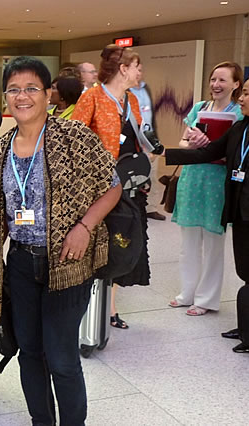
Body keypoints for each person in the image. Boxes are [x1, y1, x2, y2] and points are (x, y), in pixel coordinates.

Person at [0, 56, 121, 426]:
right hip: (22, 263)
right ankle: (41, 421)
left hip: (67, 264)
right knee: (30, 353)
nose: (23, 96)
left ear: (48, 94)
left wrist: (84, 227)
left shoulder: (73, 137)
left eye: (31, 88)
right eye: (15, 90)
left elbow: (112, 187)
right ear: (5, 96)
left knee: (62, 356)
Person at [165, 73, 249, 353]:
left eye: (246, 94)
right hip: (241, 208)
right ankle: (248, 326)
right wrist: (165, 152)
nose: (240, 99)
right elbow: (210, 151)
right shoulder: (241, 128)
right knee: (247, 269)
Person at [72, 44, 148, 330]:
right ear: (123, 68)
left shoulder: (132, 101)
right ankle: (86, 309)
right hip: (97, 187)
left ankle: (111, 308)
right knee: (97, 244)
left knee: (122, 242)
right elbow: (75, 141)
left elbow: (139, 138)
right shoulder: (92, 97)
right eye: (137, 66)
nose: (140, 72)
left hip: (128, 183)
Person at [168, 62, 243, 316]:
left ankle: (206, 298)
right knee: (188, 241)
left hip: (217, 181)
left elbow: (234, 152)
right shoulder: (199, 108)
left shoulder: (240, 116)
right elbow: (182, 140)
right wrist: (193, 143)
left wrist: (212, 146)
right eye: (213, 79)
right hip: (192, 177)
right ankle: (187, 292)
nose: (216, 85)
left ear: (236, 84)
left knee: (213, 243)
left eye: (222, 80)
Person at [129, 63, 166, 221]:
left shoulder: (145, 89)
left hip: (149, 138)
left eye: (141, 69)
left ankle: (150, 208)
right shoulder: (124, 93)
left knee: (151, 174)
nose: (139, 73)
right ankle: (134, 207)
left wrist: (154, 142)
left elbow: (150, 117)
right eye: (136, 69)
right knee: (135, 177)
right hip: (134, 142)